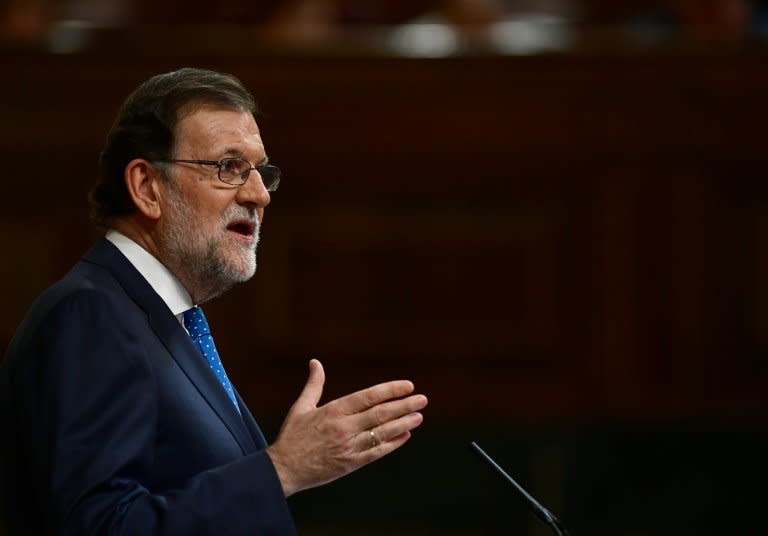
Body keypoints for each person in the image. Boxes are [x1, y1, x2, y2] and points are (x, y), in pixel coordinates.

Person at [0, 67, 428, 535]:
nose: (259, 194)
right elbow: (101, 526)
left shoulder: (165, 319)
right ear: (147, 187)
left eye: (262, 172)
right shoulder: (91, 315)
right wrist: (282, 469)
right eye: (229, 167)